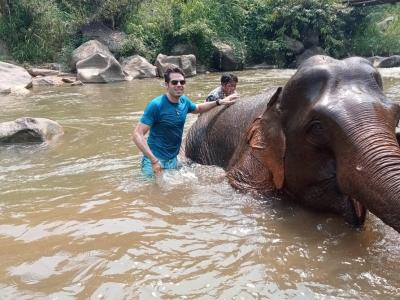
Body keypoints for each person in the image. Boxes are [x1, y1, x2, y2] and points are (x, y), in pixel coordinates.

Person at [132, 66, 237, 177]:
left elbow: (198, 108)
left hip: (173, 160)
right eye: (174, 82)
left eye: (182, 82)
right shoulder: (156, 105)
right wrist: (154, 161)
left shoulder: (184, 101)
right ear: (166, 85)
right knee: (150, 192)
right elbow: (137, 134)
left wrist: (220, 102)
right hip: (154, 161)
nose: (179, 85)